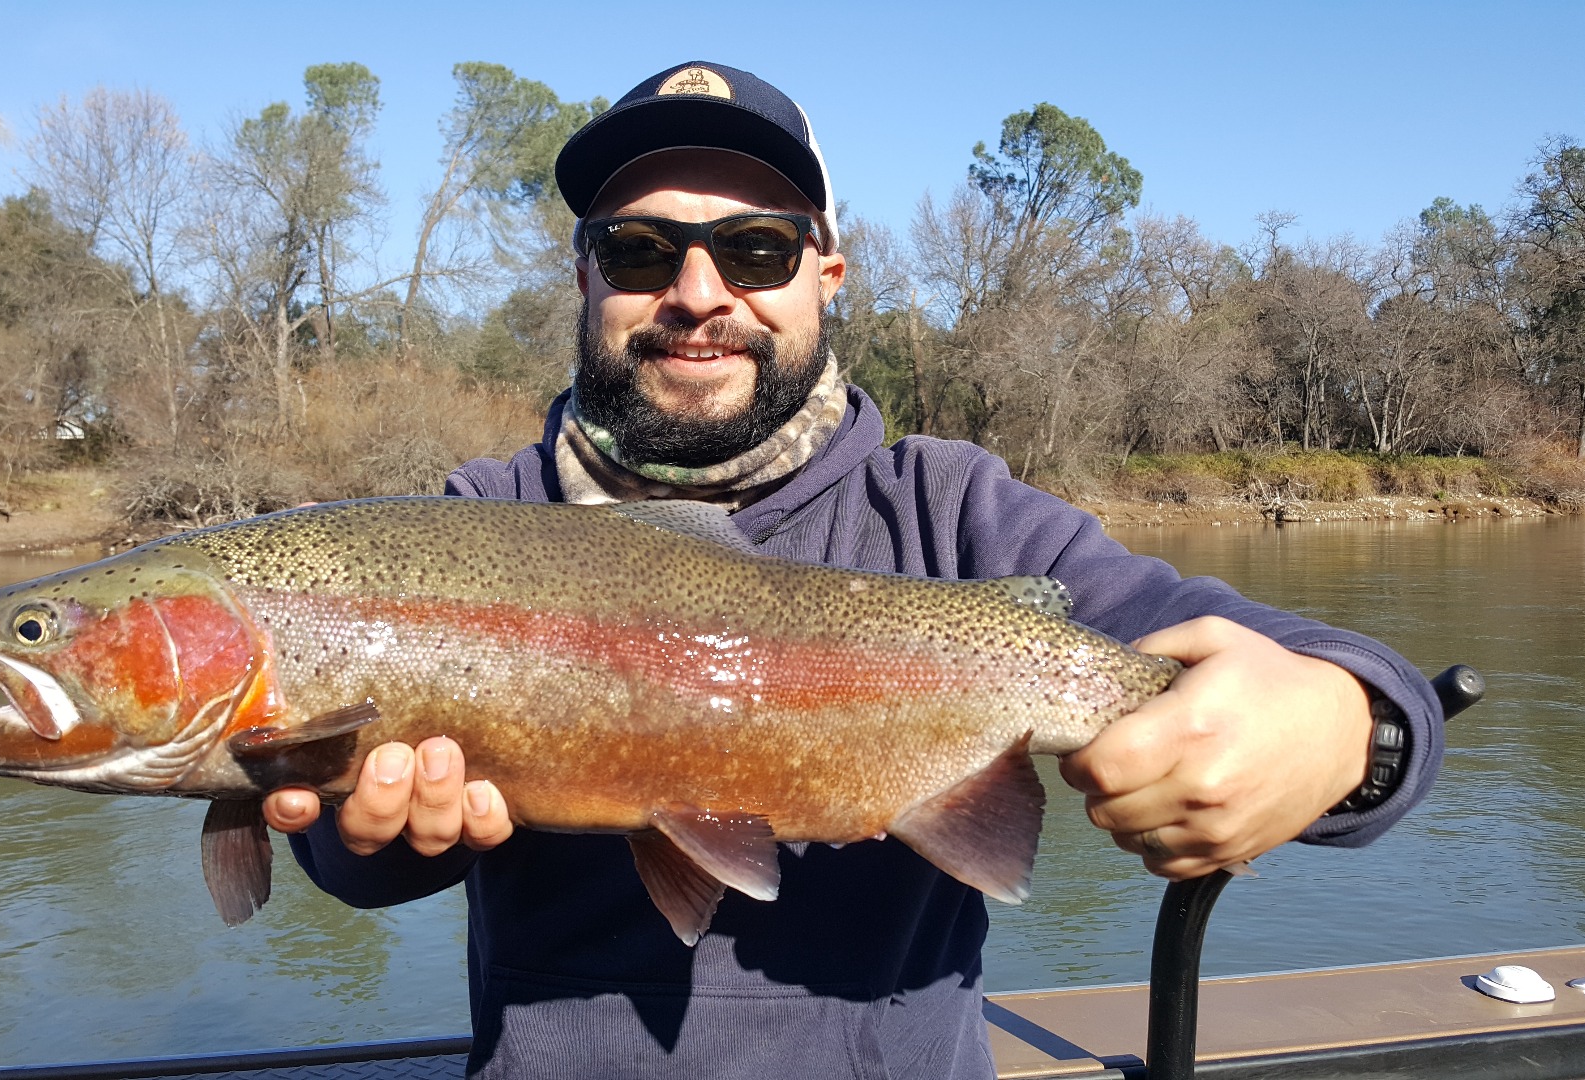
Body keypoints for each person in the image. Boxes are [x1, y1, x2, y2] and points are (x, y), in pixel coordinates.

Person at [262, 61, 1444, 1079]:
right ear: (585, 282)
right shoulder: (478, 524)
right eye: (637, 249)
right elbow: (341, 861)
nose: (696, 292)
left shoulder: (949, 511)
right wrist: (360, 840)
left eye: (756, 248)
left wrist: (1346, 724)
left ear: (825, 277)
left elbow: (1341, 691)